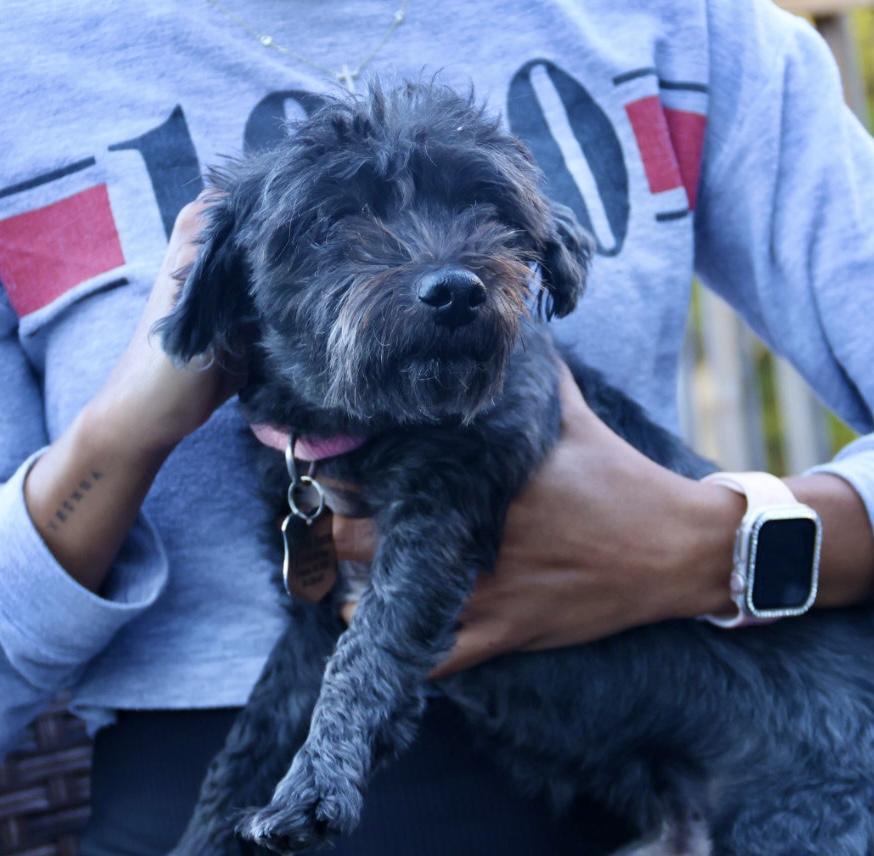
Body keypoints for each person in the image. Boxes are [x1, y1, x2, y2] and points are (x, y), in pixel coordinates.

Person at [2, 0, 873, 853]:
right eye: (339, 228)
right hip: (198, 774)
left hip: (704, 760)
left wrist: (720, 545)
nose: (443, 271)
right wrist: (116, 440)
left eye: (478, 213)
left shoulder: (687, 24)